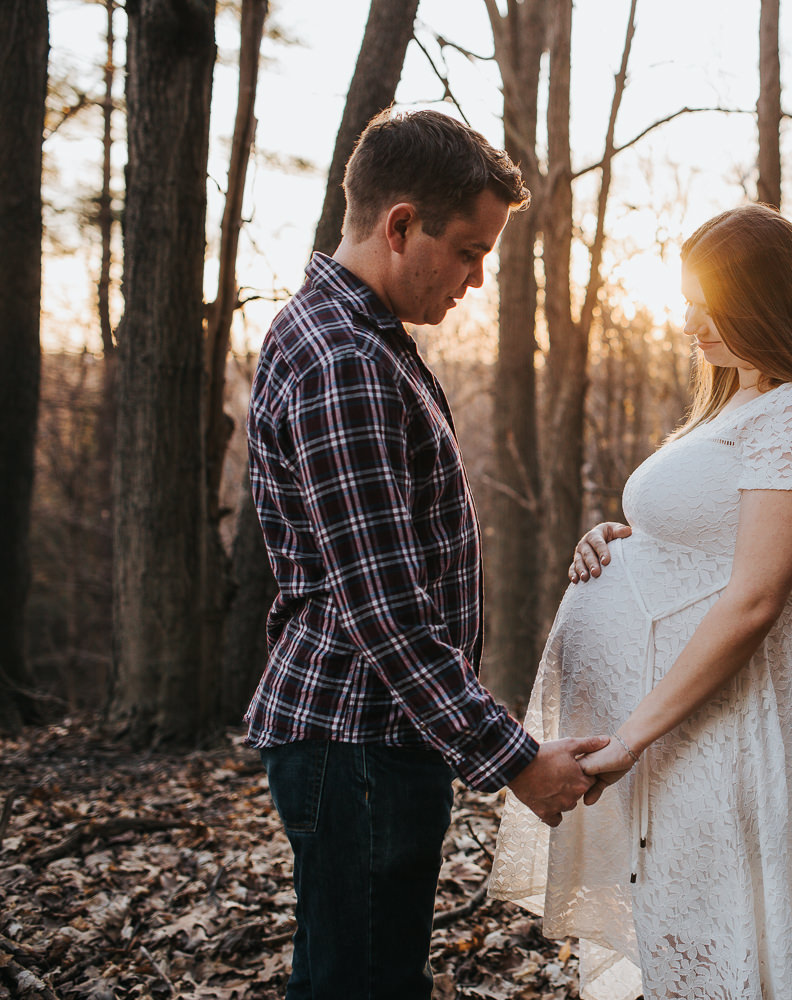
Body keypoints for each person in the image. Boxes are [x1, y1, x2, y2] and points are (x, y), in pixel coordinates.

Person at [244, 108, 608, 1000]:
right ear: (400, 224)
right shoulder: (347, 361)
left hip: (366, 729)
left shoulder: (356, 338)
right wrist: (517, 760)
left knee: (363, 972)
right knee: (360, 981)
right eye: (469, 250)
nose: (479, 280)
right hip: (358, 732)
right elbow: (387, 612)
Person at [488, 203, 792, 1000]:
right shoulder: (735, 402)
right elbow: (712, 538)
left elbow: (755, 599)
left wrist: (632, 737)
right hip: (659, 731)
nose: (693, 318)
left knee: (701, 947)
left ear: (767, 301)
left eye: (714, 301)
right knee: (657, 953)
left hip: (699, 731)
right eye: (689, 297)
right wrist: (624, 539)